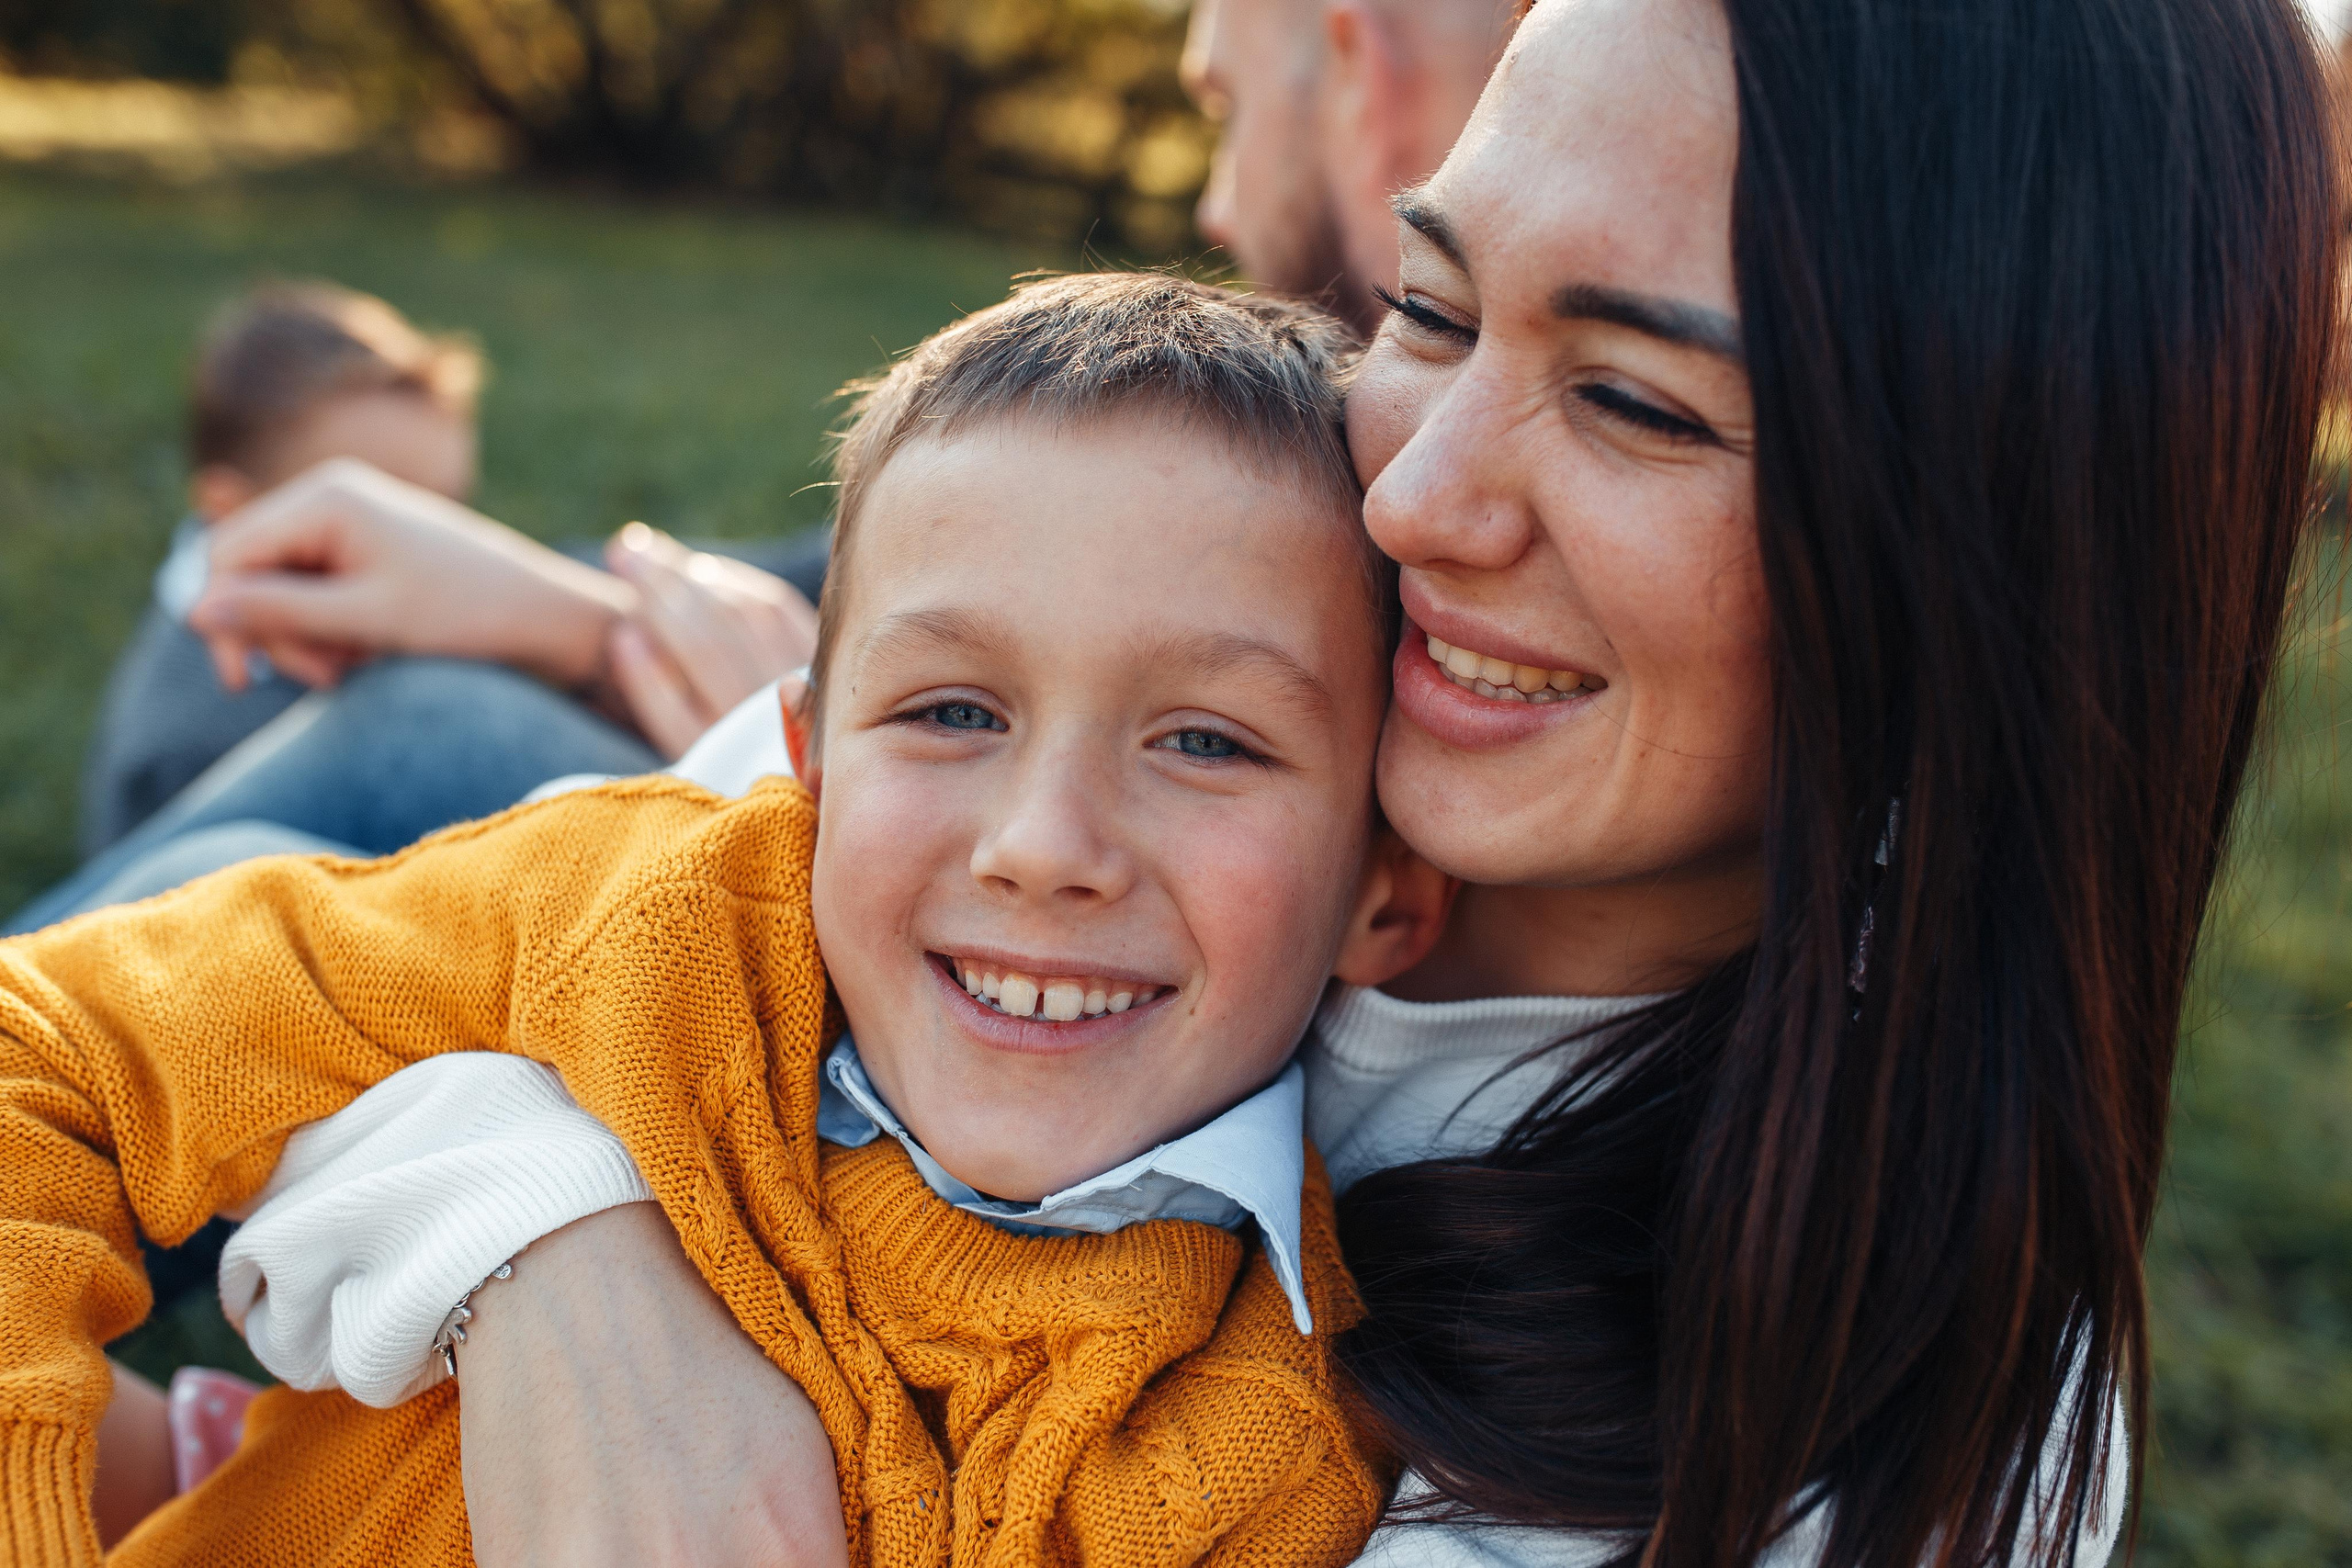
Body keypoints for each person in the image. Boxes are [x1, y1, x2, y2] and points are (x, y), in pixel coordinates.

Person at [198, 0, 2342, 1564]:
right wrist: (566, 1255)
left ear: (1986, 553)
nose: (1403, 485)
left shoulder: (1818, 1441)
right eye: (1423, 300)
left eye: (1628, 400)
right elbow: (421, 982)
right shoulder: (1214, 706)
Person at [2, 275, 1449, 1565]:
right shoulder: (635, 914)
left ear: (1386, 888)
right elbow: (48, 1047)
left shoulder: (1264, 1451)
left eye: (1208, 743)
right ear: (805, 760)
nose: (1043, 847)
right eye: (953, 711)